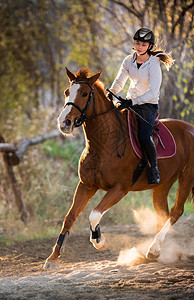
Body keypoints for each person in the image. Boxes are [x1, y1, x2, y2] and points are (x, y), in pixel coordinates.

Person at [108, 27, 174, 184]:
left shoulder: (153, 64)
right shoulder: (128, 61)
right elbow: (119, 82)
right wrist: (110, 94)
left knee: (144, 136)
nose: (139, 47)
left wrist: (131, 102)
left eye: (143, 44)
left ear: (149, 46)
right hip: (130, 103)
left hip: (147, 106)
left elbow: (152, 93)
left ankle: (153, 169)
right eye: (137, 43)